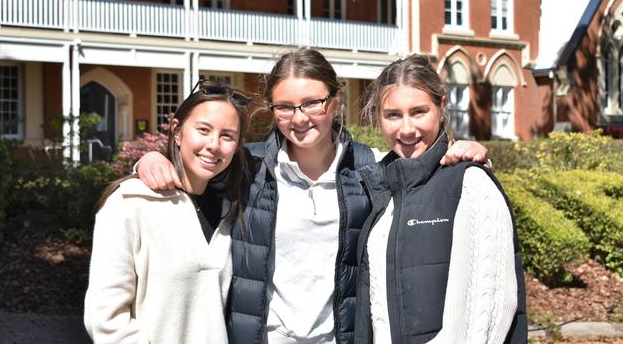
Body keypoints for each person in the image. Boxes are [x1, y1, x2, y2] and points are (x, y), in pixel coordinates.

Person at [135, 48, 489, 344]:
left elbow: (423, 173)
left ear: (335, 102)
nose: (299, 118)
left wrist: (461, 149)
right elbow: (196, 173)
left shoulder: (373, 169)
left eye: (312, 103)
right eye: (284, 107)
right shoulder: (248, 168)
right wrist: (150, 159)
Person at [354, 54, 527, 344]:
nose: (406, 129)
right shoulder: (382, 186)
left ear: (442, 106)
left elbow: (483, 321)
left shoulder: (470, 184)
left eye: (419, 111)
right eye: (393, 115)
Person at [83, 82, 250, 343]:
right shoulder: (130, 203)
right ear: (177, 131)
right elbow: (107, 320)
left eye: (227, 135)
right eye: (203, 130)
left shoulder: (233, 209)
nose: (214, 145)